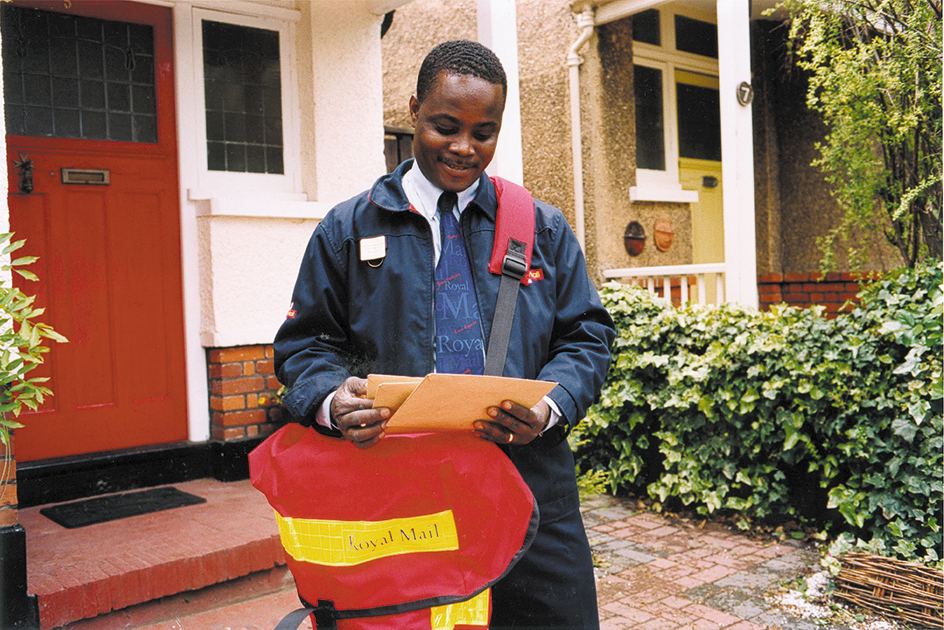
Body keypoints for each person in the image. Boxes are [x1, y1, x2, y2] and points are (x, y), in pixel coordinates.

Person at [274, 39, 615, 630]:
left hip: (531, 487)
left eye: (483, 132)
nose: (464, 148)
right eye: (445, 126)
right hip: (403, 497)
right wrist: (333, 403)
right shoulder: (348, 230)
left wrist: (552, 405)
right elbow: (306, 346)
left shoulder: (541, 227)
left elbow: (587, 336)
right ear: (412, 111)